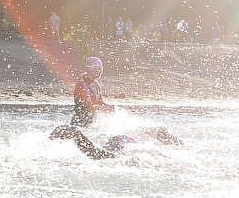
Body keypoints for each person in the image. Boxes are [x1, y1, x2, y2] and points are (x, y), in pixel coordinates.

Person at [49, 124, 182, 160]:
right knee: (106, 156)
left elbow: (160, 130)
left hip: (120, 139)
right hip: (125, 143)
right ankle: (77, 135)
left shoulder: (141, 138)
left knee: (105, 155)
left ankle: (78, 135)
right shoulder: (149, 151)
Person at [70, 56, 114, 127]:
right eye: (96, 69)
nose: (99, 71)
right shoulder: (82, 84)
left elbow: (100, 102)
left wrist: (110, 108)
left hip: (89, 123)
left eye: (100, 69)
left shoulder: (96, 83)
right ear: (88, 70)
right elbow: (88, 105)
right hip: (79, 124)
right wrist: (103, 109)